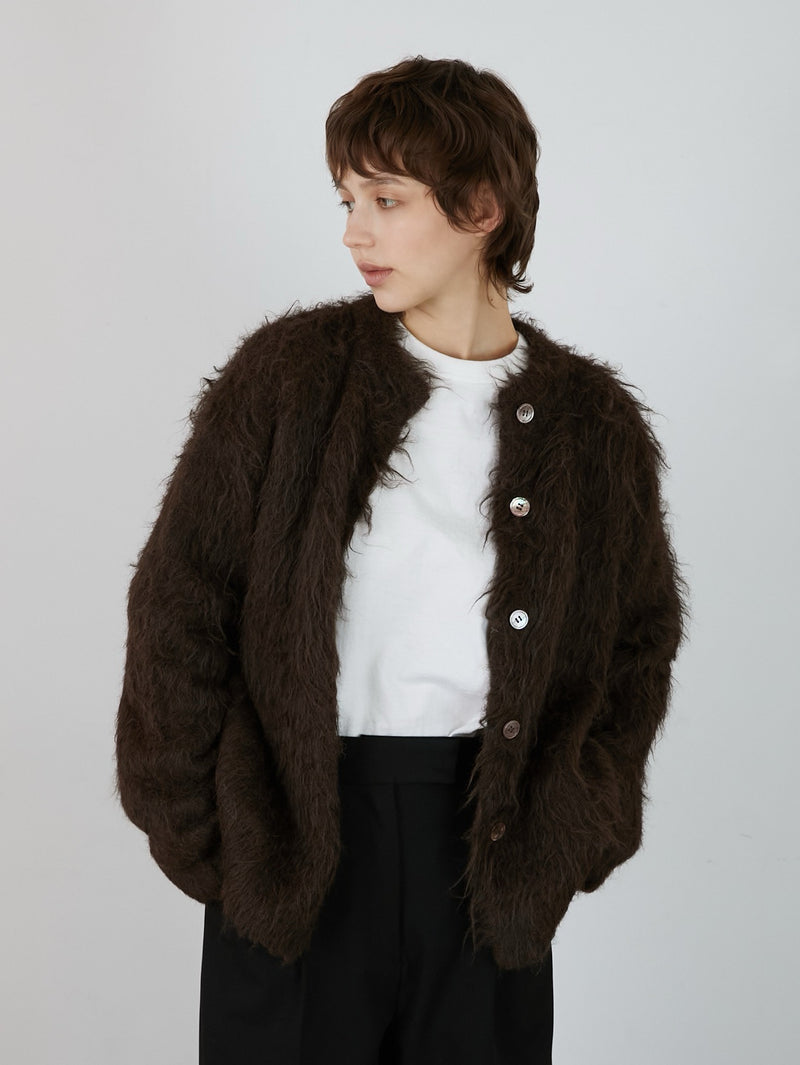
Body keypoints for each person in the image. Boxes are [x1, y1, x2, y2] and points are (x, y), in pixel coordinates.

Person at [115, 55, 687, 1065]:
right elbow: (181, 604)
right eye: (347, 201)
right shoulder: (289, 380)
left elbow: (637, 643)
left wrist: (578, 824)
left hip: (489, 854)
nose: (355, 233)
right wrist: (210, 839)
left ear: (481, 206)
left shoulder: (591, 426)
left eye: (386, 198)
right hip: (295, 844)